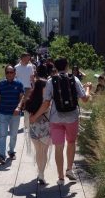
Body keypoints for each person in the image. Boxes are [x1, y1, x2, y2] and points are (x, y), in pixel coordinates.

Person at [30, 57, 92, 185]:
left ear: (55, 68)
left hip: (56, 119)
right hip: (72, 118)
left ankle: (60, 177)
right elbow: (85, 99)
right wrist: (88, 89)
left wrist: (35, 117)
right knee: (71, 142)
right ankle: (69, 169)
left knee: (59, 147)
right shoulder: (74, 79)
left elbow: (46, 104)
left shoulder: (50, 81)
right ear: (67, 66)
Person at [0, 65, 25, 164]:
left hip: (15, 114)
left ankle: (11, 151)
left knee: (14, 134)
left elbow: (22, 98)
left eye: (11, 72)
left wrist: (19, 107)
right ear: (5, 74)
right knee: (2, 135)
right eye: (7, 72)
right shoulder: (1, 84)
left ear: (15, 73)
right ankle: (1, 155)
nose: (9, 74)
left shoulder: (19, 84)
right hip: (3, 112)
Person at [24, 74, 51, 185]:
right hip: (45, 130)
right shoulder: (47, 101)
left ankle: (40, 172)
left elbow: (27, 116)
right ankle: (41, 173)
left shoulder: (30, 100)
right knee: (43, 152)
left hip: (33, 130)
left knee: (38, 151)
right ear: (43, 88)